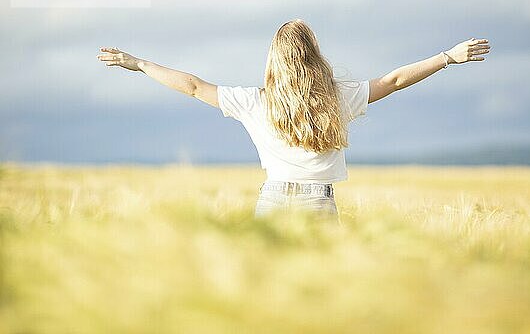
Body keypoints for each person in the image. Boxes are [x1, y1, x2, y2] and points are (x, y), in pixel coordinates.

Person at [97, 19, 490, 224]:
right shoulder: (338, 97)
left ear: (274, 59)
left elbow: (195, 86)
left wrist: (142, 64)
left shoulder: (253, 102)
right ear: (314, 54)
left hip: (271, 198)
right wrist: (447, 57)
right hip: (319, 202)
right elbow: (394, 80)